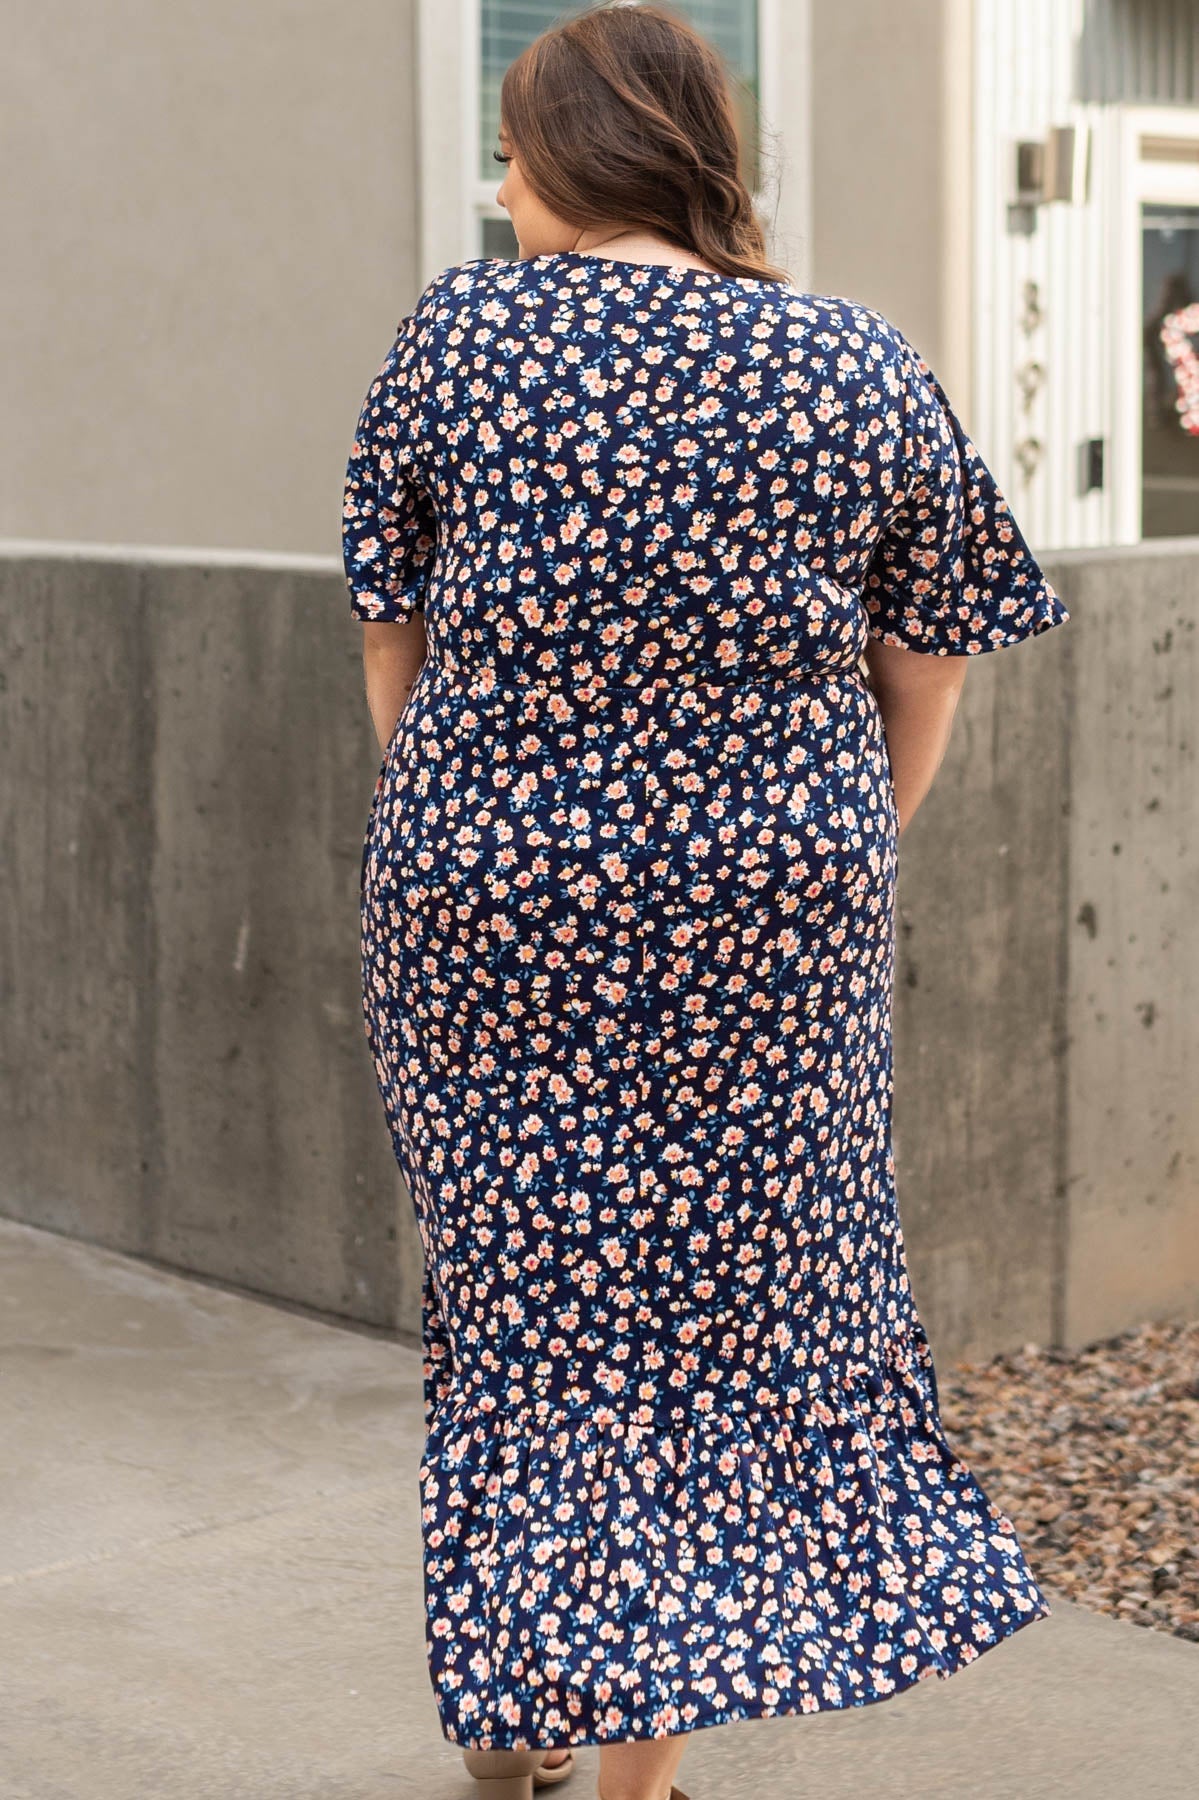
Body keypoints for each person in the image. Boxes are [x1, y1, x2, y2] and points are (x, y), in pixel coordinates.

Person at [341, 7, 1069, 1800]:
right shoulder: (853, 358)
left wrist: (468, 815)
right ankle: (640, 1778)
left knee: (530, 1309)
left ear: (578, 159)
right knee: (724, 1329)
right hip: (774, 923)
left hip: (489, 905)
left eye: (512, 152)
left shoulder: (462, 335)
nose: (499, 188)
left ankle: (521, 1708)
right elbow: (936, 654)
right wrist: (826, 845)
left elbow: (391, 632)